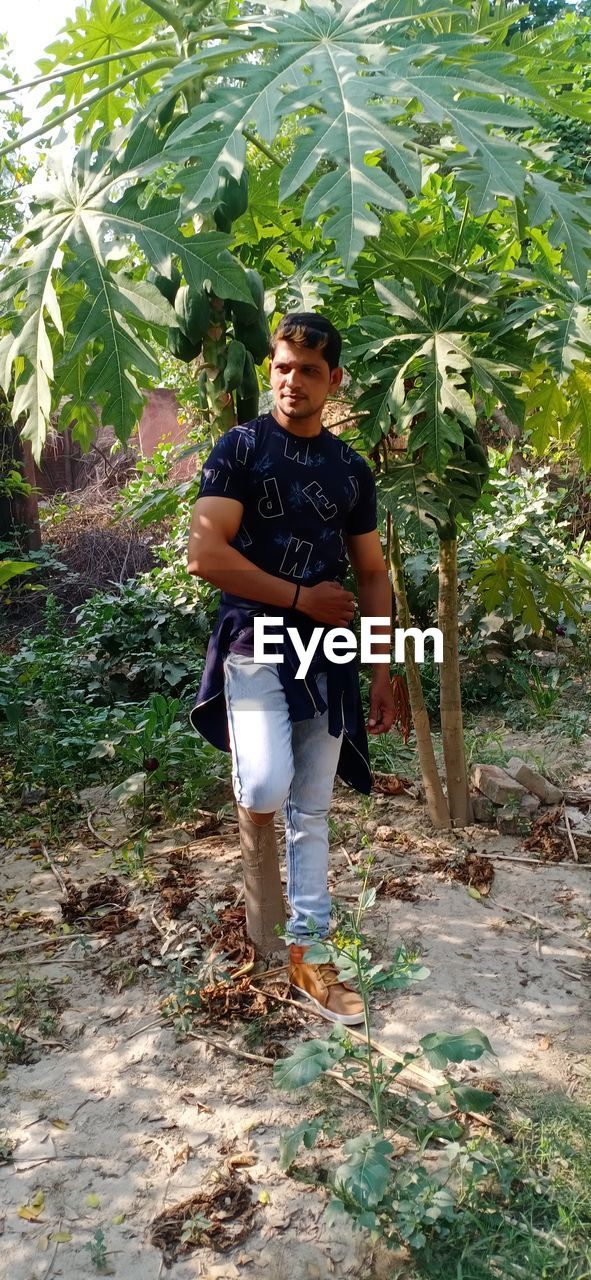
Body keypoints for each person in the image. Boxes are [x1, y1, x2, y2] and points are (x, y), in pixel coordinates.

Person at [187, 312, 394, 1025]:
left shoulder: (349, 469)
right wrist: (301, 596)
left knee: (312, 812)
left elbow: (371, 573)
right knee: (269, 782)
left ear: (333, 379)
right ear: (268, 370)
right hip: (253, 640)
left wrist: (381, 667)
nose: (292, 381)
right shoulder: (239, 448)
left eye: (308, 370)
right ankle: (250, 811)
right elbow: (204, 554)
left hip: (328, 655)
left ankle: (310, 963)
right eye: (281, 367)